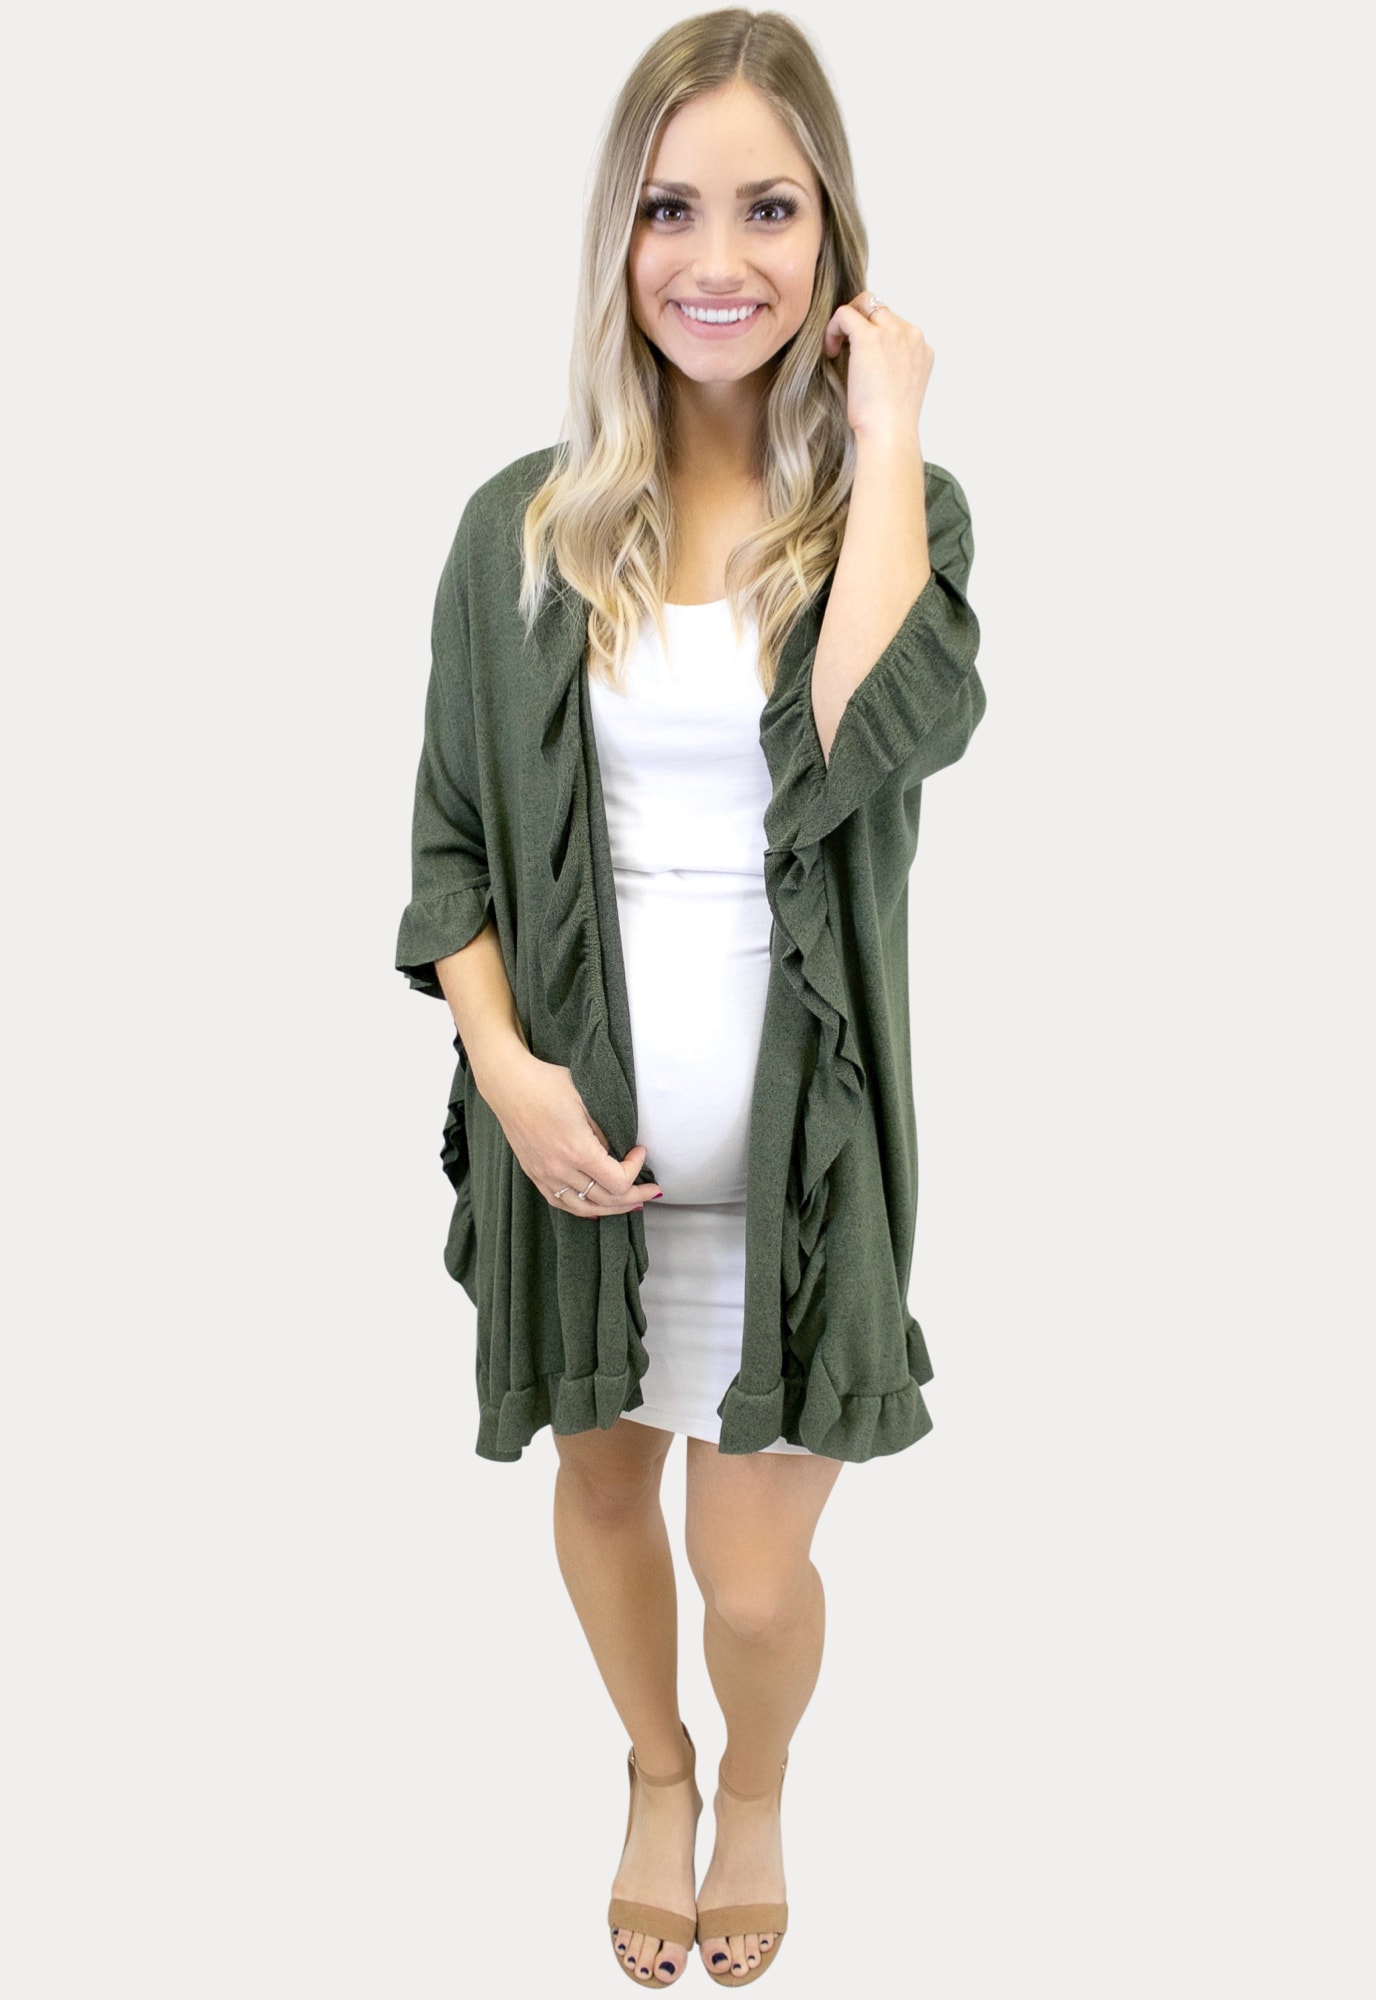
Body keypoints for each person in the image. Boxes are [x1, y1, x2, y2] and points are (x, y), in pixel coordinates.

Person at [394, 10, 986, 1986]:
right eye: (668, 208)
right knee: (595, 1477)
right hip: (578, 1161)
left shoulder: (900, 516)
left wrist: (883, 430)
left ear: (832, 238)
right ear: (616, 235)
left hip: (805, 1176)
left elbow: (871, 730)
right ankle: (656, 1771)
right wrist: (505, 1069)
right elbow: (451, 845)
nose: (714, 258)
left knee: (750, 1574)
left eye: (767, 208)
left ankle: (761, 1778)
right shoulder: (519, 527)